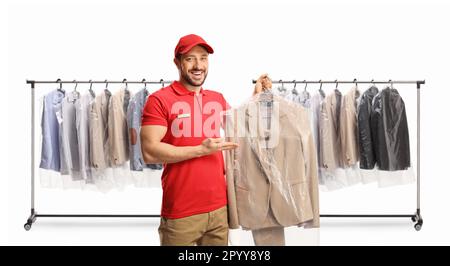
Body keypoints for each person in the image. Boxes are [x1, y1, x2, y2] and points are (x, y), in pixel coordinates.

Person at [140, 33, 269, 245]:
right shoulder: (159, 100)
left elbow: (240, 129)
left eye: (203, 58)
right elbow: (149, 151)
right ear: (177, 62)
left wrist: (255, 97)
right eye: (190, 58)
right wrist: (200, 150)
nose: (198, 65)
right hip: (181, 213)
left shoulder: (216, 99)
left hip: (219, 209)